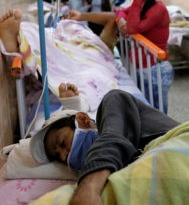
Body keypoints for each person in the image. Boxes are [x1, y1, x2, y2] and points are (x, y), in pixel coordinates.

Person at [29, 82, 179, 205]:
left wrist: (89, 188)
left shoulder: (113, 100)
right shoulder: (108, 173)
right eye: (58, 157)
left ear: (83, 120)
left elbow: (112, 139)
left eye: (61, 143)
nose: (63, 156)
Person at [65, 0, 174, 114]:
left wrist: (135, 2)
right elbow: (119, 12)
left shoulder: (157, 8)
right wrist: (122, 20)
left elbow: (133, 28)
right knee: (147, 111)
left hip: (155, 70)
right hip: (142, 67)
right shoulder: (142, 6)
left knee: (157, 114)